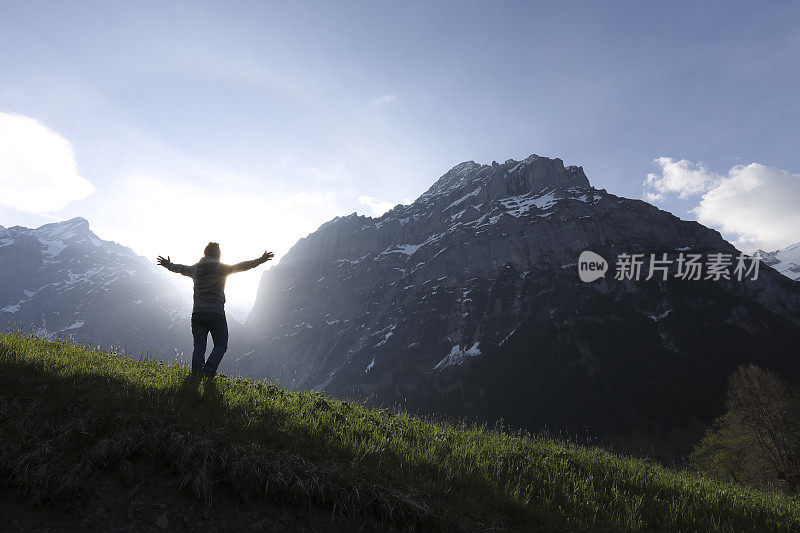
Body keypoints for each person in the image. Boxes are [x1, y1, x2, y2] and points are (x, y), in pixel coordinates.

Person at [157, 242, 273, 378]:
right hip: (216, 314)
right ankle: (208, 372)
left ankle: (196, 376)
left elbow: (179, 268)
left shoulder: (195, 269)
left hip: (198, 314)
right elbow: (243, 266)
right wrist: (260, 260)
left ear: (205, 254)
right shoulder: (222, 268)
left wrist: (166, 264)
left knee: (199, 348)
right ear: (218, 255)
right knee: (221, 344)